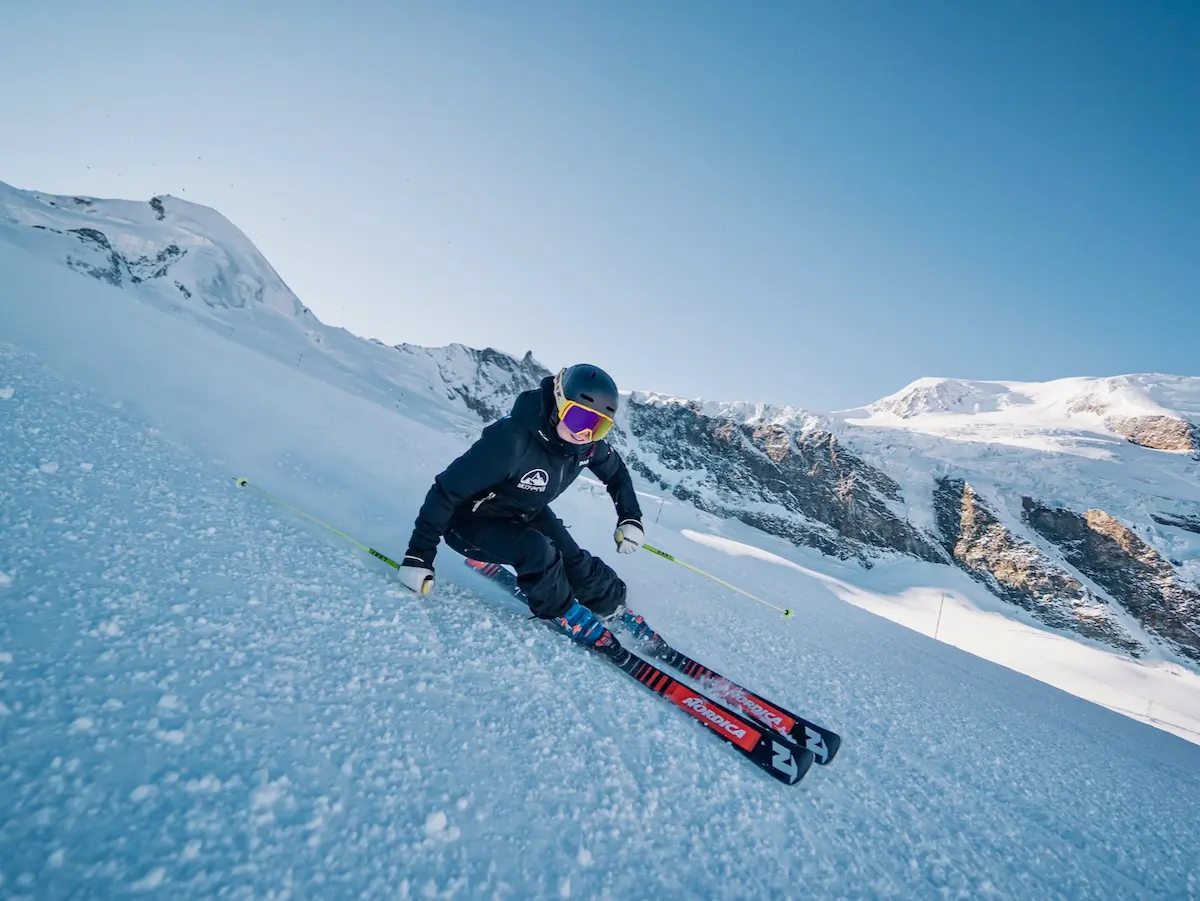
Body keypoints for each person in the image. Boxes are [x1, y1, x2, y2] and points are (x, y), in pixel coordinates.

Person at [398, 363, 645, 647]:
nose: (584, 433)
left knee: (573, 558)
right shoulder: (511, 440)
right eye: (578, 418)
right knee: (537, 550)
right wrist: (419, 555)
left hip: (526, 510)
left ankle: (611, 604)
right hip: (469, 521)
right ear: (559, 402)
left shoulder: (587, 447)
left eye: (598, 427)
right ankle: (563, 611)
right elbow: (446, 491)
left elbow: (617, 474)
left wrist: (630, 517)